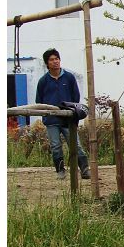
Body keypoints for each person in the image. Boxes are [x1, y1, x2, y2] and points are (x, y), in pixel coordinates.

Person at [35, 48, 90, 180]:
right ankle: (60, 170)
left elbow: (75, 97)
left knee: (75, 144)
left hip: (68, 119)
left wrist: (70, 112)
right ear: (47, 63)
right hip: (51, 120)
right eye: (52, 60)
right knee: (55, 146)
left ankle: (84, 169)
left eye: (57, 59)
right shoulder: (43, 81)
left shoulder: (69, 77)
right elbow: (39, 101)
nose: (55, 62)